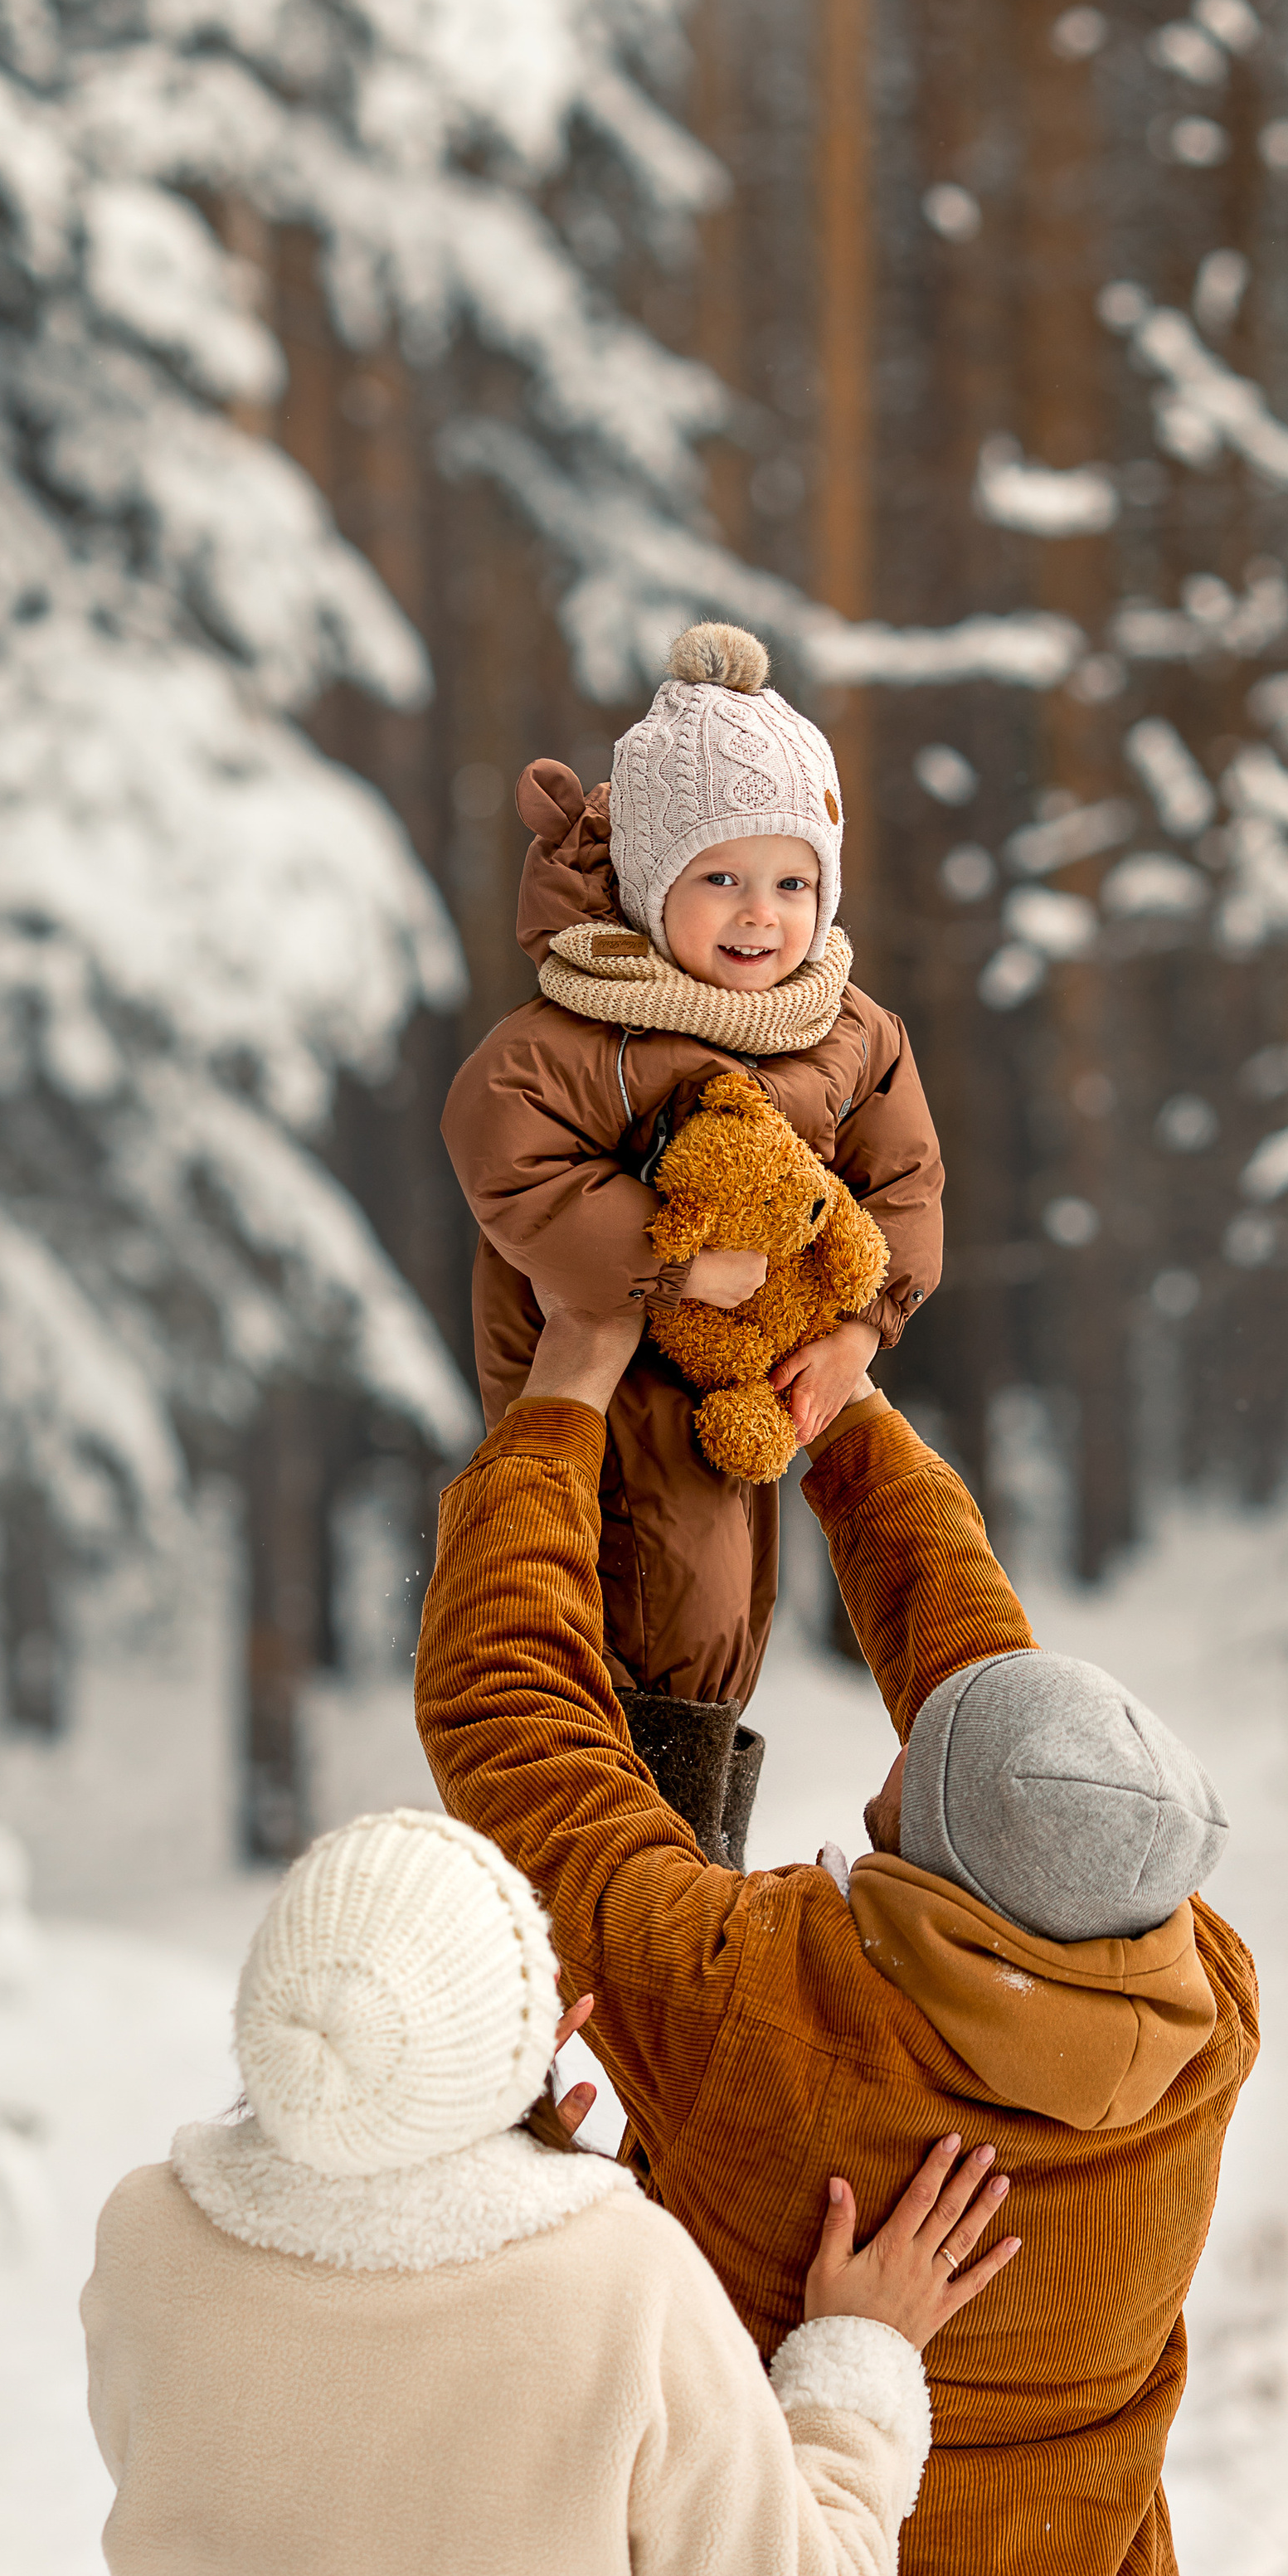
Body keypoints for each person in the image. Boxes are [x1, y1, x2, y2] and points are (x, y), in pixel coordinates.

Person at [415, 1305, 1260, 2576]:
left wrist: (563, 1397)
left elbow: (507, 1709)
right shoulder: (1204, 2020)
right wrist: (850, 1420)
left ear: (943, 1859)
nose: (900, 1753)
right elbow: (1013, 1742)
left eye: (915, 1773)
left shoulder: (754, 2008)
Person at [80, 1806, 1019, 2576]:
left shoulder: (144, 2239)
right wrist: (858, 2359)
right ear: (531, 2033)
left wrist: (491, 2161)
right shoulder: (621, 2280)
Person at [440, 619, 943, 1866]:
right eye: (721, 880)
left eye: (792, 884)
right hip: (607, 1369)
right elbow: (503, 1147)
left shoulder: (844, 1027)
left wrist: (860, 1323)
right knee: (627, 1591)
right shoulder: (592, 1028)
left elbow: (904, 1177)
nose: (761, 917)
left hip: (746, 1385)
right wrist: (666, 1261)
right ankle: (622, 1854)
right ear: (651, 883)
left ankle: (689, 1848)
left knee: (723, 1602)